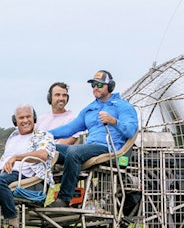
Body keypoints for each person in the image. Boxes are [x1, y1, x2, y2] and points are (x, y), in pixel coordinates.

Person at [46, 70, 139, 208]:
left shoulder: (122, 106)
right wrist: (45, 135)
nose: (95, 87)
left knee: (74, 152)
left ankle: (64, 199)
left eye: (100, 84)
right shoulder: (90, 108)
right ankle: (36, 196)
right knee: (48, 149)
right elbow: (69, 129)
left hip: (108, 148)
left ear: (110, 86)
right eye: (93, 84)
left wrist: (114, 121)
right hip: (89, 147)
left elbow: (131, 130)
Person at [0, 104, 56, 228]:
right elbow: (3, 161)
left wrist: (16, 157)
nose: (25, 120)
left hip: (24, 177)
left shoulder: (43, 135)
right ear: (15, 121)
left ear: (34, 118)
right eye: (21, 118)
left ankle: (12, 219)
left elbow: (43, 155)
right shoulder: (13, 137)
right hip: (2, 175)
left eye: (28, 117)